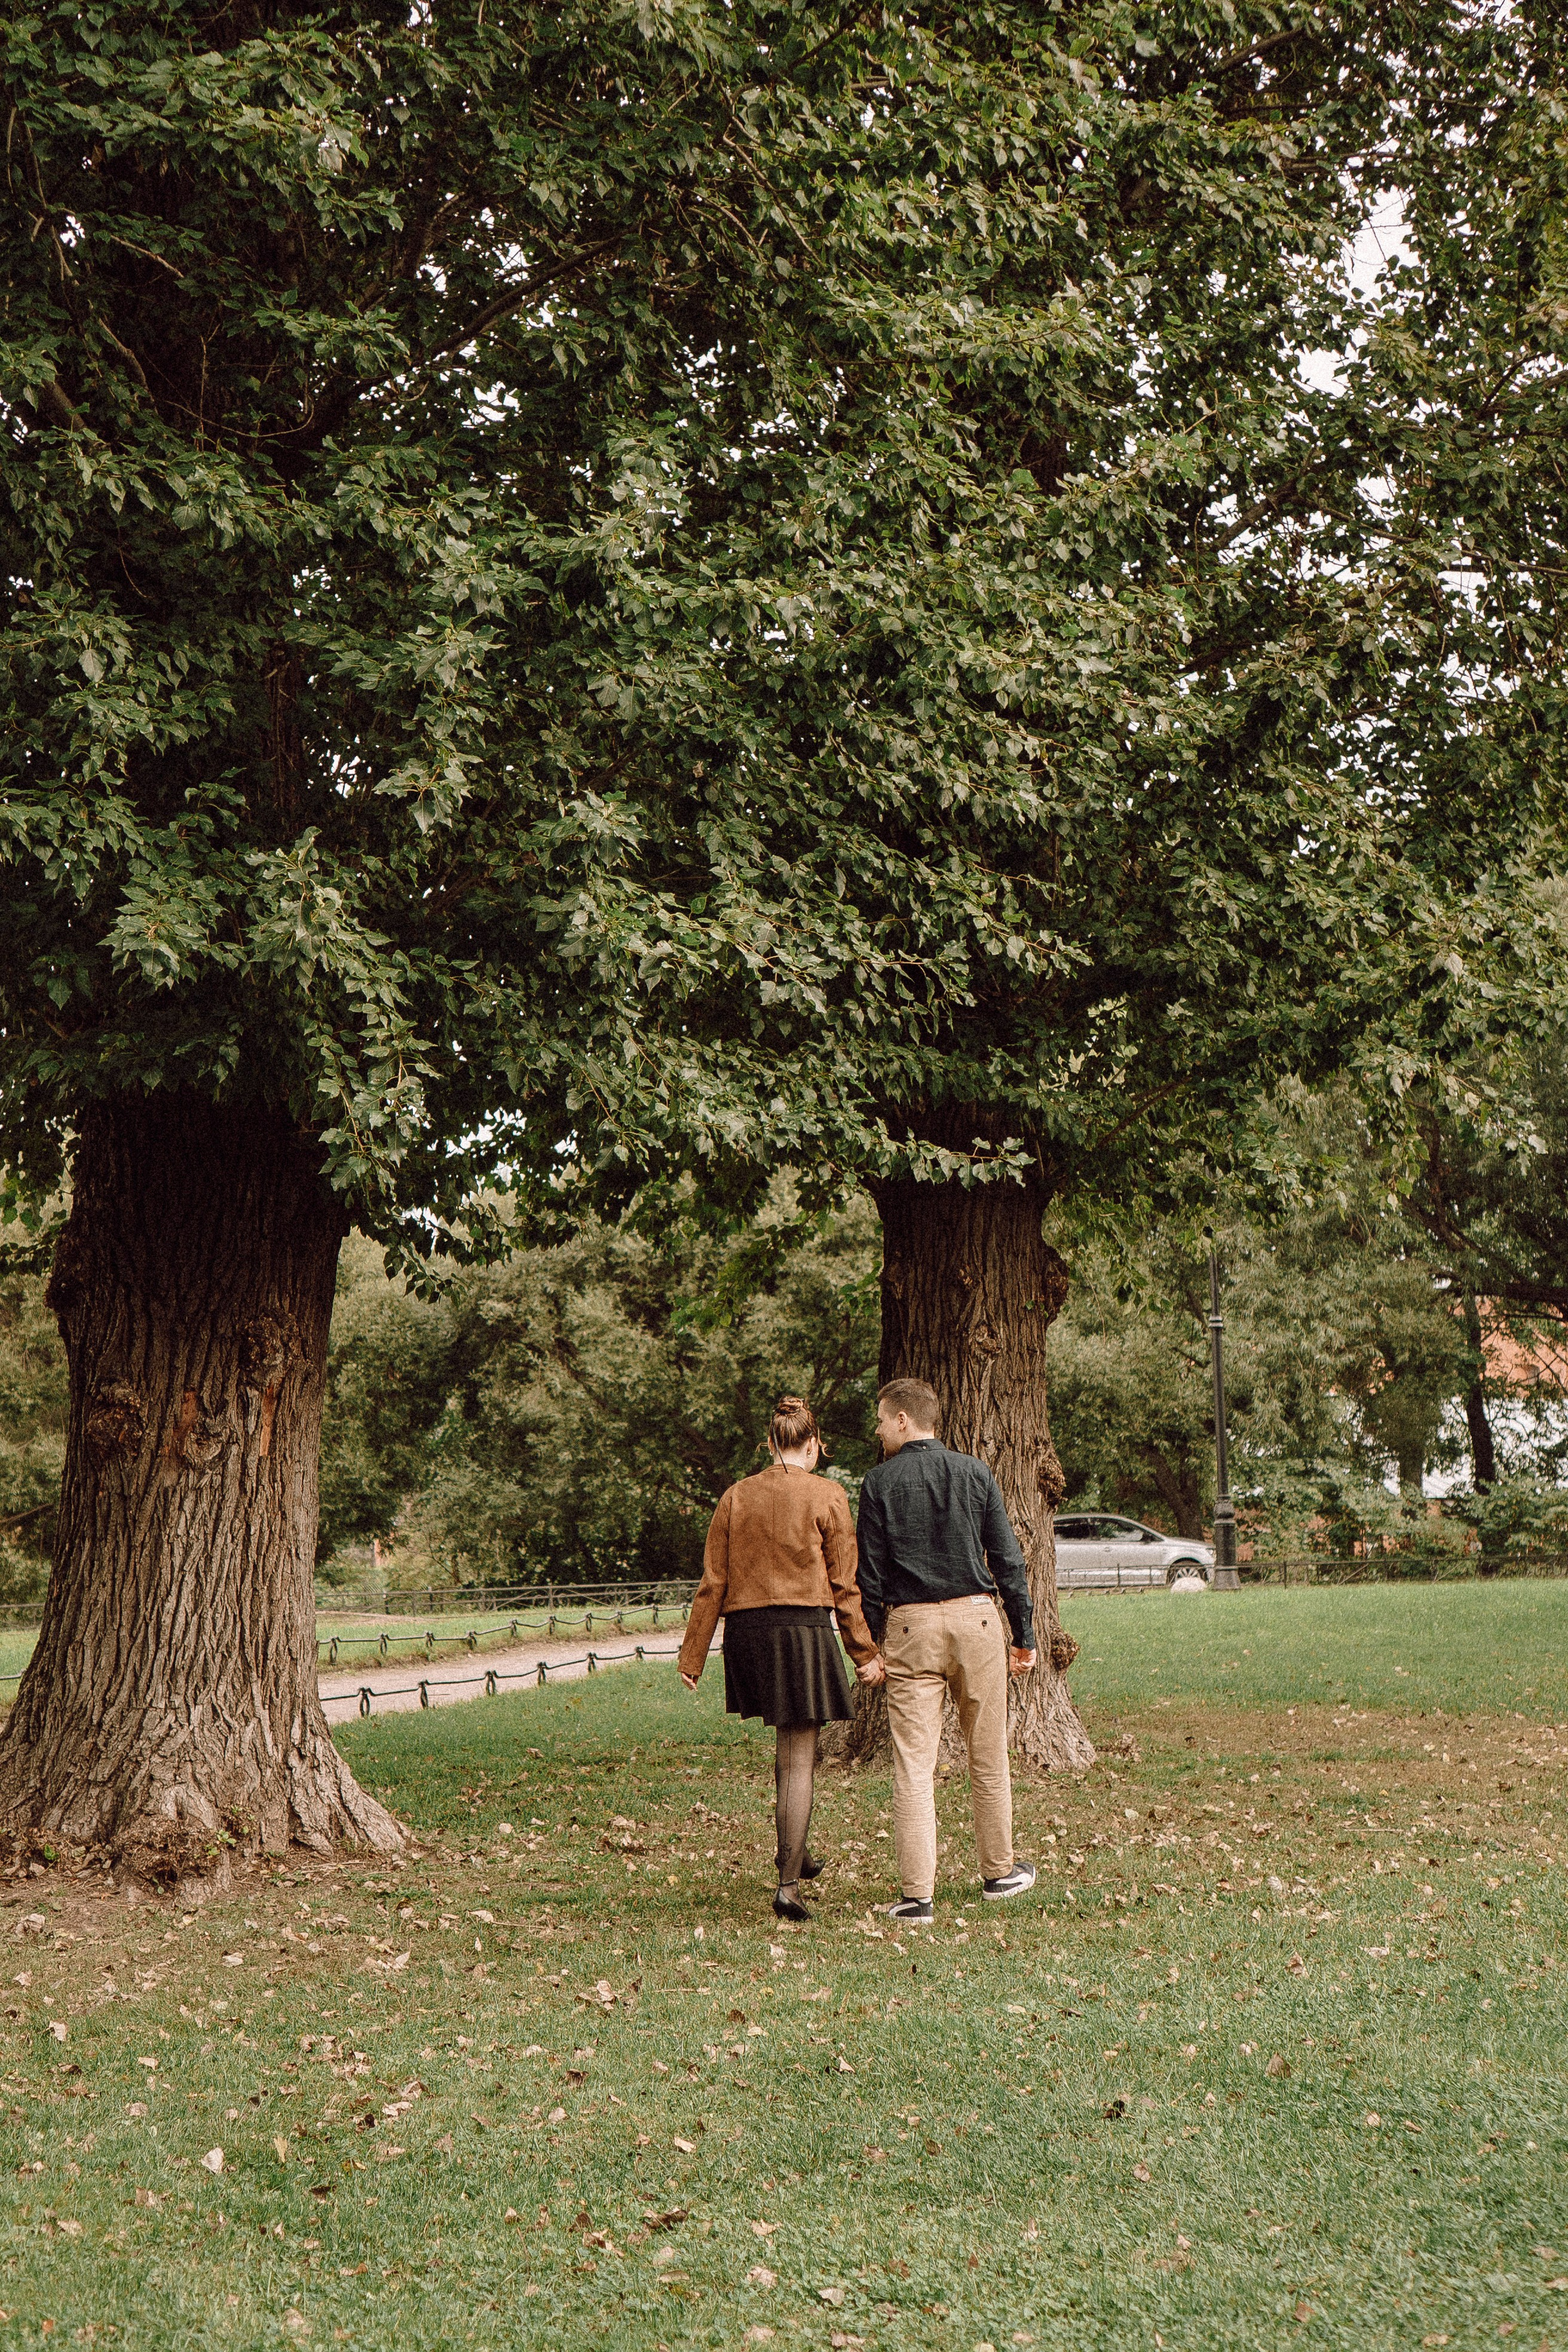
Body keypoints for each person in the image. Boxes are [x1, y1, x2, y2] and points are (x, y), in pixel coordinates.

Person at [679, 1396, 885, 1921]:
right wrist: (864, 1653)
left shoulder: (734, 1497)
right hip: (801, 1632)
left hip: (749, 1635)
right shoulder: (829, 1494)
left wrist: (692, 1656)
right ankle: (789, 1884)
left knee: (786, 1745)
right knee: (799, 1756)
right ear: (812, 1445)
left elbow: (713, 1583)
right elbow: (846, 1585)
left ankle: (794, 1847)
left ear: (771, 1445)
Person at [856, 1376, 1038, 1923]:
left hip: (910, 1627)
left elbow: (869, 1576)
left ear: (905, 1420)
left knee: (914, 1763)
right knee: (988, 1752)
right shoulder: (975, 1472)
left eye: (883, 1420)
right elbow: (1008, 1558)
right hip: (978, 1621)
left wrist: (867, 1648)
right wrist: (1024, 1634)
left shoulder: (878, 1483)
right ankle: (999, 1873)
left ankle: (917, 1897)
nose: (879, 1429)